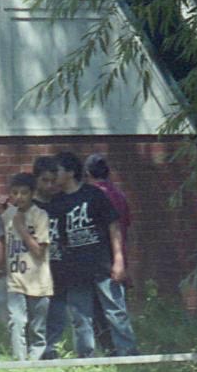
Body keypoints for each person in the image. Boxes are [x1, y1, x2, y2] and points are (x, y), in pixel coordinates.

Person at [49, 151, 137, 357]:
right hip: (75, 271)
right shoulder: (57, 202)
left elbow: (114, 226)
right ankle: (86, 358)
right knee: (80, 317)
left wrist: (119, 260)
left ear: (70, 172)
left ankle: (129, 354)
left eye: (57, 171)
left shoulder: (93, 195)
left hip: (102, 266)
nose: (53, 176)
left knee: (116, 311)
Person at [0, 172, 53, 360]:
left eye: (24, 193)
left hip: (38, 281)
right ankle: (19, 362)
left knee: (37, 328)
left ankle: (35, 361)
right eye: (15, 193)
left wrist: (21, 228)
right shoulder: (9, 215)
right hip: (16, 280)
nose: (19, 197)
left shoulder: (40, 215)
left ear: (32, 194)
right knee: (16, 321)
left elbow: (39, 252)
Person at [85, 153, 132, 353]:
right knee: (115, 307)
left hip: (100, 258)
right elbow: (127, 224)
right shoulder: (119, 195)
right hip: (119, 256)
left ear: (87, 173)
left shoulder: (91, 196)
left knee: (98, 309)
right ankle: (121, 348)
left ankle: (112, 348)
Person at [31, 155, 67, 358]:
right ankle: (34, 349)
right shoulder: (29, 206)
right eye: (45, 180)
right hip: (35, 269)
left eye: (54, 181)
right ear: (36, 179)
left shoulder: (61, 203)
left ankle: (51, 349)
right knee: (36, 313)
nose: (50, 185)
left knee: (57, 311)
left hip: (58, 265)